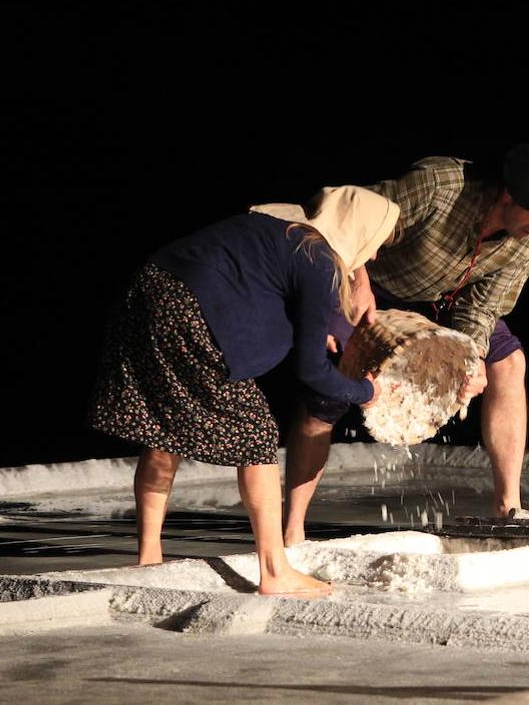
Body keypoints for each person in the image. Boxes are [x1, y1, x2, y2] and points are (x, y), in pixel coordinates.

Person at [89, 186, 400, 596]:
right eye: (375, 243)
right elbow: (311, 371)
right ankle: (274, 570)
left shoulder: (282, 231)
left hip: (147, 289)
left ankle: (149, 555)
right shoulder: (319, 262)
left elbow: (248, 286)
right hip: (189, 310)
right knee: (256, 434)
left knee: (164, 426)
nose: (373, 256)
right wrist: (365, 392)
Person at [281, 143, 529, 544]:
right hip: (368, 281)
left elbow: (482, 306)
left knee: (508, 363)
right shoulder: (439, 186)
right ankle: (291, 529)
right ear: (509, 196)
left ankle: (508, 507)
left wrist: (472, 357)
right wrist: (355, 282)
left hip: (441, 301)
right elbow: (349, 221)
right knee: (329, 395)